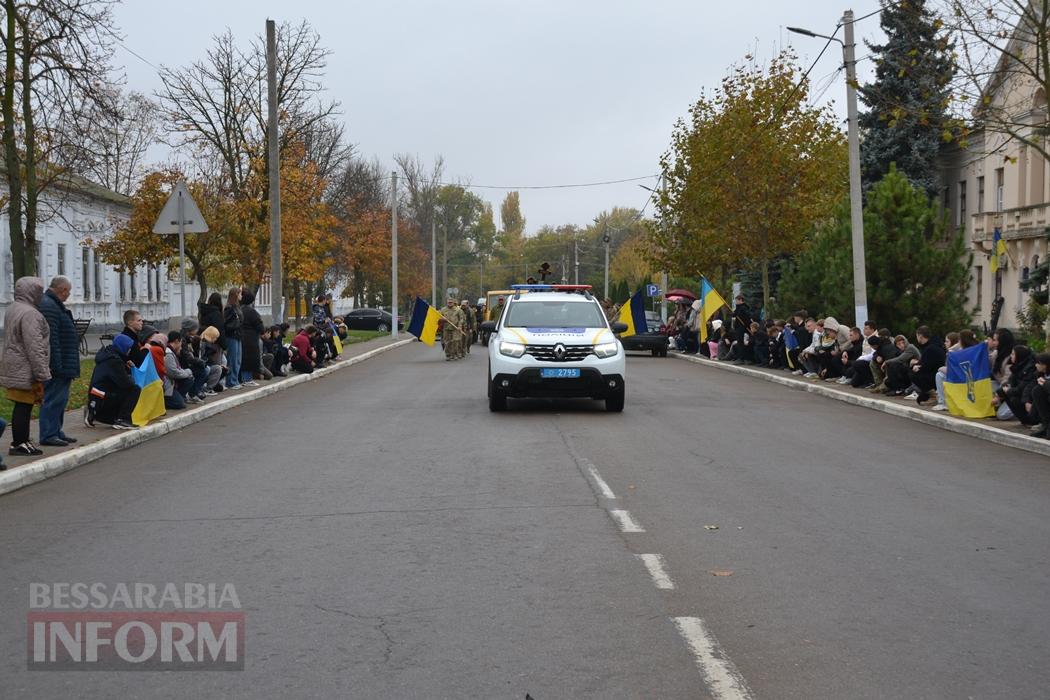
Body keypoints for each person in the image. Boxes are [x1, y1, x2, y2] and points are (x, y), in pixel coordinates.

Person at [0, 277, 52, 455]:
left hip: (14, 364)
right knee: (24, 406)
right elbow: (35, 346)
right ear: (32, 292)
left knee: (21, 405)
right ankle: (19, 443)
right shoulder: (31, 313)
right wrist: (42, 373)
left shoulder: (13, 308)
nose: (41, 295)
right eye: (39, 291)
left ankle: (22, 440)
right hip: (25, 367)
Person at [38, 276, 80, 447]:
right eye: (68, 291)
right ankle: (48, 434)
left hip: (64, 362)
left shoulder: (53, 304)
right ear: (62, 290)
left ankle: (56, 431)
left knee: (60, 399)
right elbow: (51, 339)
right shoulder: (49, 305)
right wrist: (56, 365)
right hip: (58, 365)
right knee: (53, 399)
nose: (68, 295)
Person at [85, 334, 139, 430]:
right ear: (123, 347)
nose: (130, 350)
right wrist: (130, 372)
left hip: (96, 395)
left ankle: (94, 412)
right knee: (135, 389)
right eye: (128, 348)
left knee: (111, 418)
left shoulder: (107, 356)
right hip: (103, 396)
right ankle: (122, 419)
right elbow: (127, 383)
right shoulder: (115, 361)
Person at [996, 345, 1038, 425]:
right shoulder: (1019, 366)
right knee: (1001, 391)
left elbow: (1023, 388)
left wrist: (1008, 390)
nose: (1011, 356)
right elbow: (1010, 380)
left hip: (1028, 398)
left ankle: (1030, 420)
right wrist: (1006, 387)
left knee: (1013, 399)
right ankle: (1024, 420)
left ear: (1019, 355)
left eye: (1013, 354)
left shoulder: (1030, 369)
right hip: (1020, 393)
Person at [906, 326, 946, 404]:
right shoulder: (934, 344)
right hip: (936, 372)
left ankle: (934, 396)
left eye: (917, 336)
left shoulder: (930, 348)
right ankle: (928, 394)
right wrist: (917, 364)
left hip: (935, 375)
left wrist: (916, 366)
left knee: (912, 373)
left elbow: (927, 365)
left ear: (920, 336)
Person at [178, 319, 210, 400]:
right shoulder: (183, 340)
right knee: (203, 371)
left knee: (205, 369)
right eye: (195, 328)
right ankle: (193, 392)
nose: (197, 330)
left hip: (187, 364)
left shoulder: (189, 339)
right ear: (190, 329)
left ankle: (196, 391)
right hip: (183, 366)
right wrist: (199, 361)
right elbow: (187, 357)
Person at [163, 330, 196, 409]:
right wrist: (188, 371)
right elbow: (174, 372)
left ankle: (179, 397)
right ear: (177, 341)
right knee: (180, 404)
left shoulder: (172, 352)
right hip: (167, 386)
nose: (181, 345)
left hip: (172, 383)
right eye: (181, 342)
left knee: (189, 378)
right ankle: (166, 401)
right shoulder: (168, 354)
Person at [239, 289, 264, 386]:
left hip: (241, 337)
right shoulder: (252, 312)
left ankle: (242, 378)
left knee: (242, 359)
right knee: (250, 359)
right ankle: (247, 379)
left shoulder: (239, 310)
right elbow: (260, 327)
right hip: (251, 339)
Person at [223, 288, 243, 389]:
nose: (241, 296)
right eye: (240, 294)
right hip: (231, 335)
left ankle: (235, 380)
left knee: (238, 359)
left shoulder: (237, 306)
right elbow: (226, 323)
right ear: (235, 295)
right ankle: (231, 381)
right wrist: (236, 324)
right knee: (233, 359)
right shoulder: (229, 308)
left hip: (238, 335)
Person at [199, 326, 227, 393]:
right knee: (217, 369)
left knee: (222, 369)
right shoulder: (203, 343)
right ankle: (207, 389)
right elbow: (201, 358)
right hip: (202, 367)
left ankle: (208, 388)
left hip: (206, 365)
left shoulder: (209, 344)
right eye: (215, 337)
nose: (216, 339)